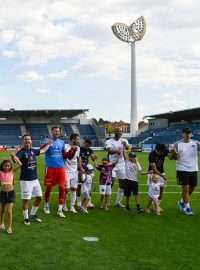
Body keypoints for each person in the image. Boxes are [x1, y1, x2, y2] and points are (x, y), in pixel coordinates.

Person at [42, 126, 77, 218]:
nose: (57, 132)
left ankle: (60, 210)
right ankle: (46, 206)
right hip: (50, 168)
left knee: (62, 188)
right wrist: (46, 144)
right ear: (52, 132)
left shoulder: (62, 142)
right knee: (49, 188)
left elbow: (65, 155)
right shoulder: (46, 140)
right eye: (55, 131)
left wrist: (71, 150)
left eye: (58, 131)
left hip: (61, 168)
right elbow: (41, 150)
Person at [16, 134, 51, 225]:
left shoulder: (33, 151)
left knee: (39, 197)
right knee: (26, 200)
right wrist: (14, 158)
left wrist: (49, 144)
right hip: (25, 180)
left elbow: (42, 150)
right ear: (23, 141)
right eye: (25, 139)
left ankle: (32, 214)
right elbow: (16, 158)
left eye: (29, 139)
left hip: (35, 179)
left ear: (31, 141)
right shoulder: (21, 152)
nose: (27, 140)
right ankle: (26, 218)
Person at [172, 127, 200, 216]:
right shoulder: (177, 144)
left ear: (191, 134)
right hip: (182, 169)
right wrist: (174, 154)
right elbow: (174, 158)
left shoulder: (196, 143)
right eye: (186, 133)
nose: (188, 135)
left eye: (189, 133)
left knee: (192, 187)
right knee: (186, 188)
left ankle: (182, 202)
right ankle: (187, 207)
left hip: (193, 169)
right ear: (183, 134)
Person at [105, 127, 129, 207]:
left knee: (123, 184)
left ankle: (117, 202)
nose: (119, 132)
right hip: (112, 165)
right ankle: (107, 202)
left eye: (120, 131)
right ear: (114, 132)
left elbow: (129, 149)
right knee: (111, 183)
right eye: (117, 131)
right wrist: (116, 151)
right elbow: (110, 151)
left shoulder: (124, 140)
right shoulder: (109, 141)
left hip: (122, 165)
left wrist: (126, 145)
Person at [147, 143, 173, 210]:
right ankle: (152, 206)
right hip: (153, 173)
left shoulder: (165, 151)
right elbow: (154, 169)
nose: (161, 153)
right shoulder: (151, 155)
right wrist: (163, 176)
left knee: (161, 189)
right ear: (156, 149)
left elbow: (170, 157)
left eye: (162, 152)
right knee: (153, 190)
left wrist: (173, 153)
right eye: (159, 151)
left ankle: (157, 205)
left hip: (161, 172)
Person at [0, 155, 21, 234]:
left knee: (9, 211)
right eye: (5, 166)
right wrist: (6, 159)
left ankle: (9, 227)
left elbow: (20, 165)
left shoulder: (12, 171)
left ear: (10, 166)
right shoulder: (0, 172)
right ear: (2, 166)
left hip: (11, 193)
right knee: (2, 210)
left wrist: (14, 157)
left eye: (8, 166)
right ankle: (1, 223)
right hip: (3, 194)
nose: (7, 167)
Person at [63, 133, 82, 214]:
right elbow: (68, 157)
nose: (78, 141)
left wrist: (80, 167)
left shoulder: (78, 148)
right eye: (77, 139)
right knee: (66, 190)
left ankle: (72, 207)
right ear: (73, 139)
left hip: (75, 171)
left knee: (74, 189)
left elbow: (78, 158)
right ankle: (63, 204)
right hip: (66, 171)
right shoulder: (65, 146)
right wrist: (73, 150)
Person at [76, 139, 97, 208]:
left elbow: (92, 158)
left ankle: (88, 202)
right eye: (87, 145)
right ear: (84, 143)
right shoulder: (79, 149)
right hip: (80, 169)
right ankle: (79, 202)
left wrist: (94, 157)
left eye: (89, 146)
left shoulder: (89, 150)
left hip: (87, 169)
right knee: (79, 185)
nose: (87, 147)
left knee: (89, 185)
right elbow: (80, 161)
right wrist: (84, 167)